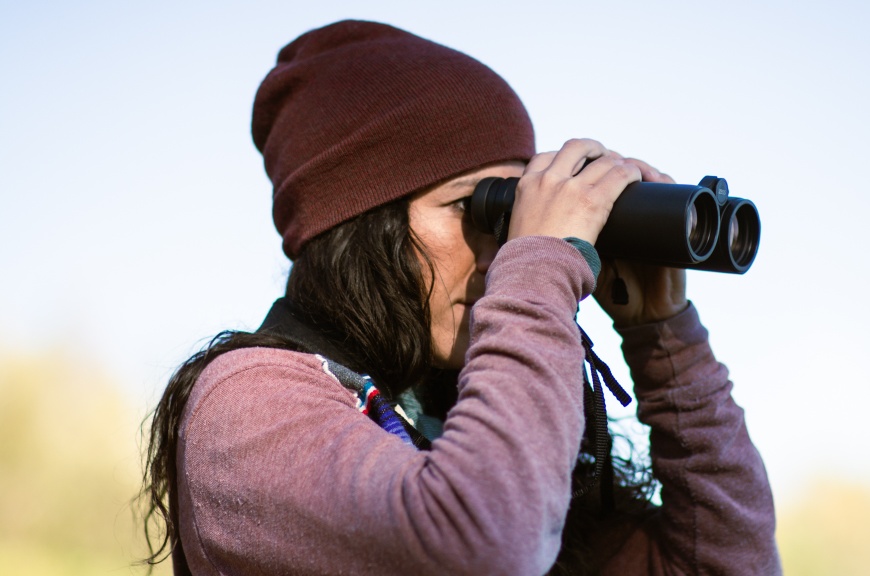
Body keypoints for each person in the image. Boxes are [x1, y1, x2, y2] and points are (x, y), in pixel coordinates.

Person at [141, 19, 780, 576]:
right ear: (363, 227)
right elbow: (484, 548)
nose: (504, 251)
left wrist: (665, 340)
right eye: (474, 207)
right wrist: (544, 269)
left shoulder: (490, 427)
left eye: (514, 214)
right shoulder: (249, 401)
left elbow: (731, 566)